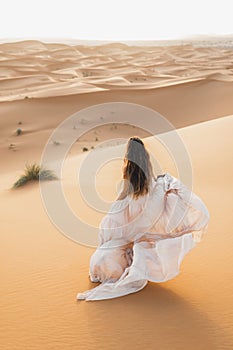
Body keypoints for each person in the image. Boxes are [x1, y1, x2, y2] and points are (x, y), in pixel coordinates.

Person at [77, 137, 210, 301]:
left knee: (122, 246)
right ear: (145, 156)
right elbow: (155, 192)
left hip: (133, 226)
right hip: (143, 224)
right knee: (142, 241)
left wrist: (109, 222)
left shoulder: (128, 178)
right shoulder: (150, 178)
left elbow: (119, 203)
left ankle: (121, 260)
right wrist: (165, 184)